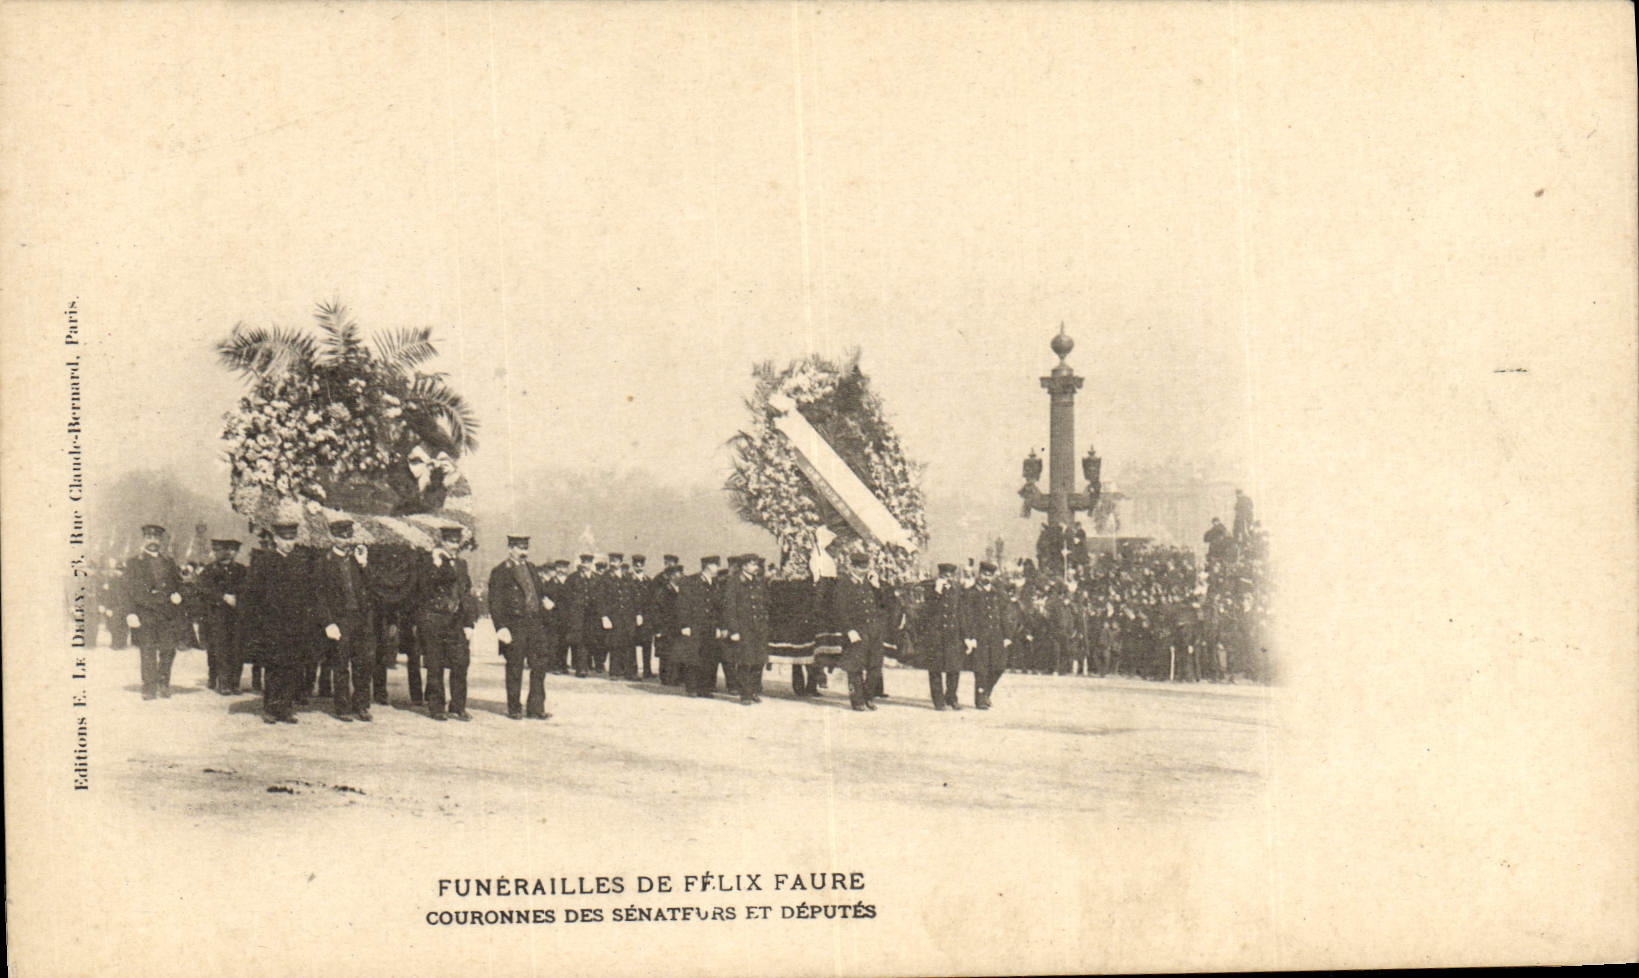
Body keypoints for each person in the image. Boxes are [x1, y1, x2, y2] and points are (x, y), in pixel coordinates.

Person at [245, 521, 313, 723]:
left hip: (295, 624)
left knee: (292, 666)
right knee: (274, 667)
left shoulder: (300, 562)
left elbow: (307, 593)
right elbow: (252, 594)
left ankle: (285, 708)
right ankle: (270, 708)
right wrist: (259, 622)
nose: (288, 543)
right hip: (272, 624)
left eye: (292, 538)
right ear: (276, 539)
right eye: (285, 538)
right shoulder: (264, 562)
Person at [315, 519, 376, 722]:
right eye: (341, 536)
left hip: (360, 619)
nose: (345, 540)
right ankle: (342, 707)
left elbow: (372, 587)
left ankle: (362, 705)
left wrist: (364, 564)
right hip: (339, 620)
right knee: (340, 665)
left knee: (363, 664)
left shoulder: (357, 560)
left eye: (348, 536)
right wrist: (328, 622)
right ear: (332, 537)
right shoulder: (324, 561)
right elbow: (319, 595)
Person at [488, 534, 553, 720]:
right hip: (515, 624)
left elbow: (538, 591)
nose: (524, 552)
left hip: (535, 623)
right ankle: (514, 707)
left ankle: (536, 707)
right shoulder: (501, 571)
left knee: (539, 665)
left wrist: (544, 600)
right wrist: (501, 627)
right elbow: (495, 602)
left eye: (526, 548)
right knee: (515, 666)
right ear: (510, 549)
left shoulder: (531, 568)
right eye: (520, 548)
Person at [416, 526, 477, 721]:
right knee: (435, 665)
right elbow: (424, 587)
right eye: (450, 541)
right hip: (434, 618)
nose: (454, 545)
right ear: (442, 541)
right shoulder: (428, 561)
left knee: (460, 664)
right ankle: (436, 707)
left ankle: (458, 706)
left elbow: (465, 594)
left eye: (456, 541)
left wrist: (469, 622)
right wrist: (436, 564)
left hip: (456, 621)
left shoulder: (461, 564)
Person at [124, 524, 186, 700]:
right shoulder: (134, 562)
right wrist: (130, 613)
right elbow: (127, 589)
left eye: (156, 538)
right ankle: (149, 687)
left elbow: (179, 584)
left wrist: (178, 594)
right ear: (144, 540)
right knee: (147, 651)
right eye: (149, 538)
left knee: (168, 650)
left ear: (161, 541)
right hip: (145, 612)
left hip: (166, 613)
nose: (153, 541)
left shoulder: (169, 562)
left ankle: (163, 683)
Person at [367, 543, 423, 707]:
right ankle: (381, 692)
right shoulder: (381, 555)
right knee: (381, 653)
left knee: (414, 654)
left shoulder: (413, 560)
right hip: (386, 611)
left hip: (408, 614)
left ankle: (417, 695)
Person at [832, 552, 885, 712]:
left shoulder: (869, 584)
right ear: (852, 567)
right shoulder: (844, 584)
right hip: (856, 630)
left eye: (865, 567)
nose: (864, 570)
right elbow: (840, 610)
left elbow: (883, 605)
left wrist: (877, 587)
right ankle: (857, 700)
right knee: (855, 667)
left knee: (875, 666)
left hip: (873, 630)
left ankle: (868, 697)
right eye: (860, 567)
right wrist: (849, 630)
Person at [196, 538, 247, 694]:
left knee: (237, 648)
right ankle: (223, 682)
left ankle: (235, 682)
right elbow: (203, 589)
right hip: (217, 615)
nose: (228, 553)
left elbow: (248, 587)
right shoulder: (209, 570)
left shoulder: (241, 570)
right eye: (225, 550)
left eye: (232, 550)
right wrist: (223, 597)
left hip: (236, 615)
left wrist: (238, 598)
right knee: (220, 648)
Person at [720, 553, 770, 705]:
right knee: (745, 661)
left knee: (758, 661)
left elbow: (764, 604)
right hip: (744, 628)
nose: (756, 567)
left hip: (759, 628)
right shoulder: (734, 582)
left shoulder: (758, 582)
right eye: (753, 564)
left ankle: (754, 690)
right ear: (744, 566)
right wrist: (734, 630)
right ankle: (745, 694)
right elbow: (730, 607)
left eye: (756, 564)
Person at [961, 561, 1012, 710]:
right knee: (981, 669)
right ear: (979, 574)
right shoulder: (971, 593)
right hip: (979, 636)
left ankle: (986, 692)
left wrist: (1007, 635)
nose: (986, 577)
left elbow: (1004, 614)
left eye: (989, 575)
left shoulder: (997, 593)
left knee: (999, 667)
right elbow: (967, 616)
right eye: (984, 574)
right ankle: (980, 699)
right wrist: (969, 636)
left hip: (996, 635)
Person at [923, 563, 966, 710]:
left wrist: (965, 635)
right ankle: (938, 700)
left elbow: (961, 613)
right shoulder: (930, 589)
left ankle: (951, 697)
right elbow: (927, 610)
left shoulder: (957, 590)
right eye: (944, 576)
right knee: (935, 669)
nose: (948, 579)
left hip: (953, 635)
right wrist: (937, 591)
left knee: (954, 668)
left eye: (950, 576)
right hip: (936, 635)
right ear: (939, 575)